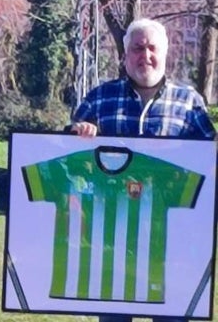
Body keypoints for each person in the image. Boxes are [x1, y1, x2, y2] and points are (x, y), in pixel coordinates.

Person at [71, 18, 216, 322]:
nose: (145, 55)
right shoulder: (99, 97)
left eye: (152, 48)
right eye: (137, 48)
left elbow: (210, 158)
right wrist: (77, 133)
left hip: (171, 246)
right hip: (112, 245)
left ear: (165, 53)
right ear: (125, 56)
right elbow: (67, 152)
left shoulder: (190, 103)